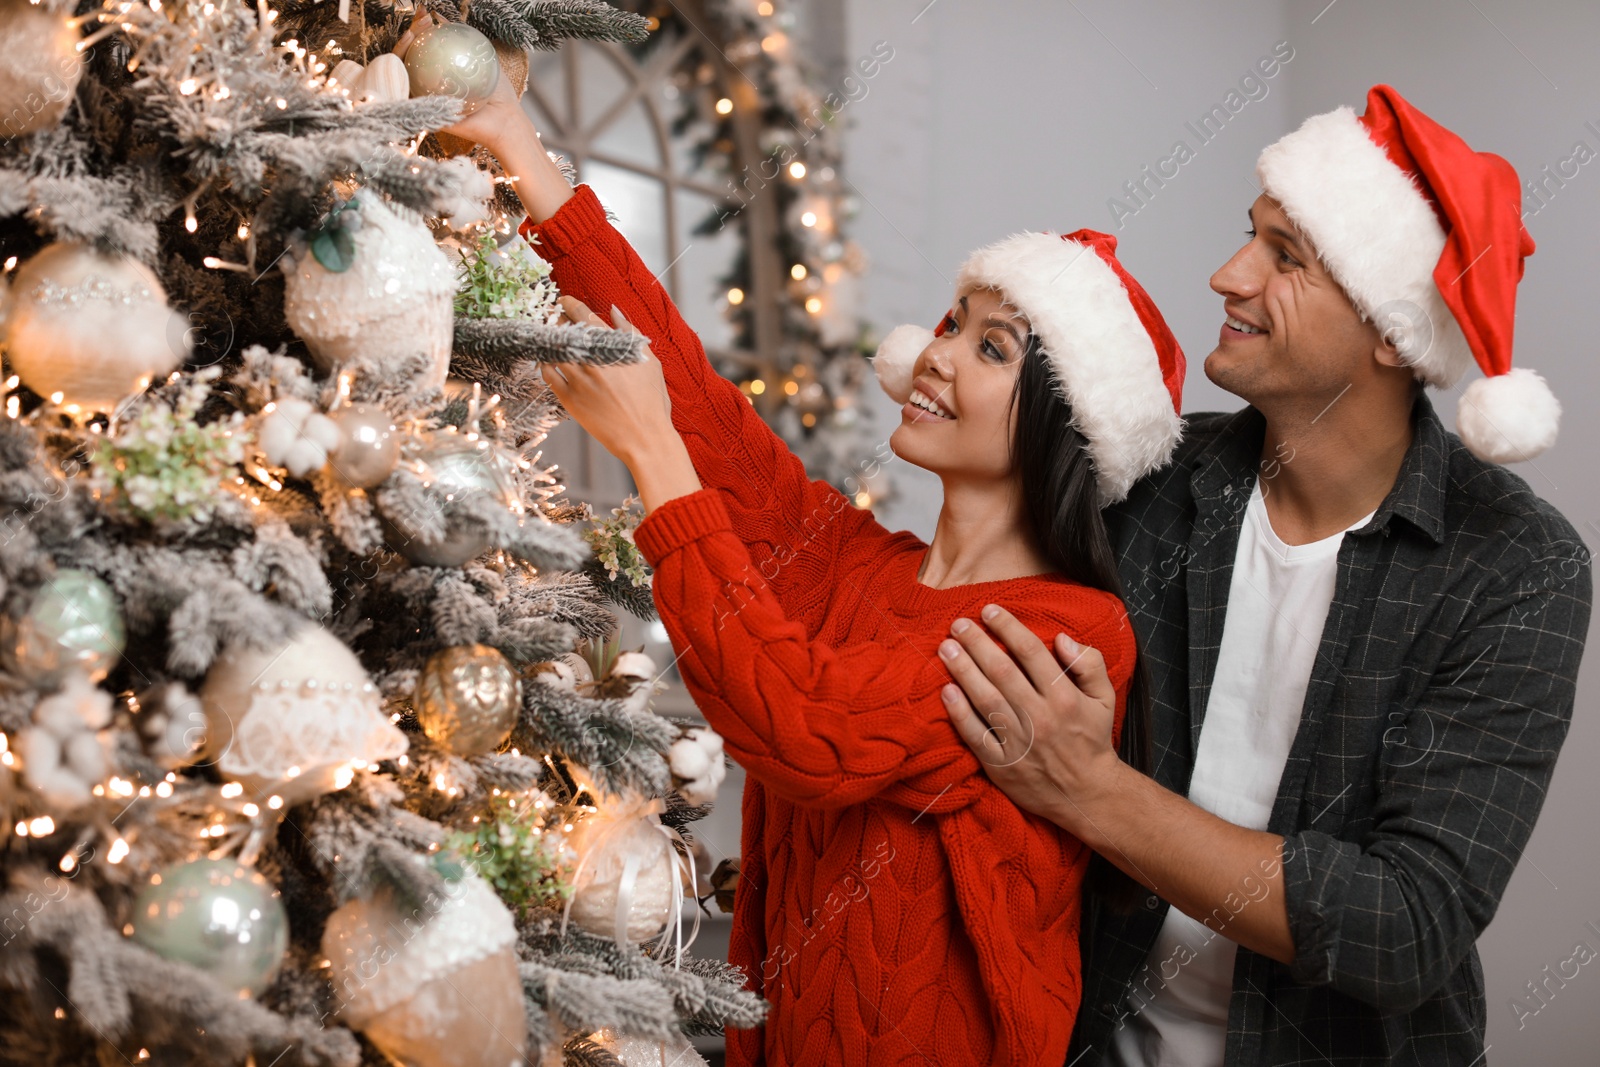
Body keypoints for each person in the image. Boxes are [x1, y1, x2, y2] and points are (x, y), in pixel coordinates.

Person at [443, 49, 1188, 1061]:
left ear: (1067, 425)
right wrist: (519, 151)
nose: (934, 353)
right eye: (951, 322)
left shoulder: (1063, 635)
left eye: (992, 347)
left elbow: (808, 727)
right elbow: (701, 407)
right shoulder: (853, 561)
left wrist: (651, 452)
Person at [934, 85, 1593, 1066]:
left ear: (1389, 329)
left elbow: (1404, 925)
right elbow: (964, 581)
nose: (1225, 275)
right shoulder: (1149, 481)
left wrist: (1090, 788)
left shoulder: (1516, 567)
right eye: (1252, 235)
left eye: (1284, 256)